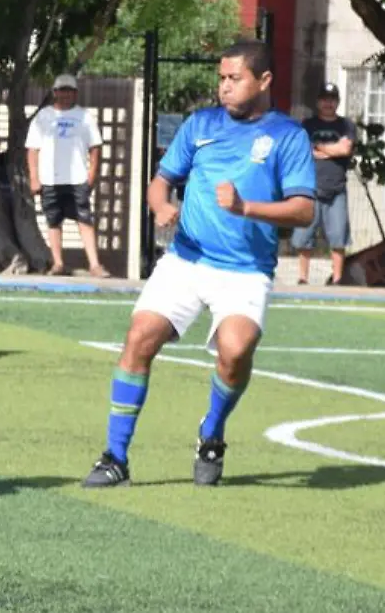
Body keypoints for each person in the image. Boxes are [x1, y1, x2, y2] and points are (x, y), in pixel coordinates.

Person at [81, 40, 315, 488]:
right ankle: (115, 457)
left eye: (235, 78)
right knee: (139, 336)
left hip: (245, 270)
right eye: (221, 78)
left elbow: (304, 210)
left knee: (235, 351)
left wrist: (247, 208)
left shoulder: (288, 136)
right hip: (186, 260)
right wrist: (161, 206)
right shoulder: (200, 124)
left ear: (264, 81)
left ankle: (212, 433)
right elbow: (161, 181)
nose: (224, 87)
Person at [25, 73, 111, 277]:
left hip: (77, 178)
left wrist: (92, 174)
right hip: (49, 179)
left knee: (84, 220)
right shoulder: (43, 116)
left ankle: (95, 265)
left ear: (75, 94)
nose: (65, 95)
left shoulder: (85, 116)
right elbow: (32, 149)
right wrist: (34, 177)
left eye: (69, 91)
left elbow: (95, 147)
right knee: (53, 221)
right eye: (61, 91)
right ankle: (58, 263)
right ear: (54, 93)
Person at [292, 82, 356, 284]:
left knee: (338, 237)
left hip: (336, 188)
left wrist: (319, 147)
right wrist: (332, 149)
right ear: (318, 102)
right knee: (304, 237)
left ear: (337, 102)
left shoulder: (346, 125)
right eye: (324, 99)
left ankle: (337, 279)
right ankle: (303, 278)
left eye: (332, 99)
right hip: (310, 188)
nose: (328, 103)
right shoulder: (307, 125)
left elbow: (345, 150)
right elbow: (304, 152)